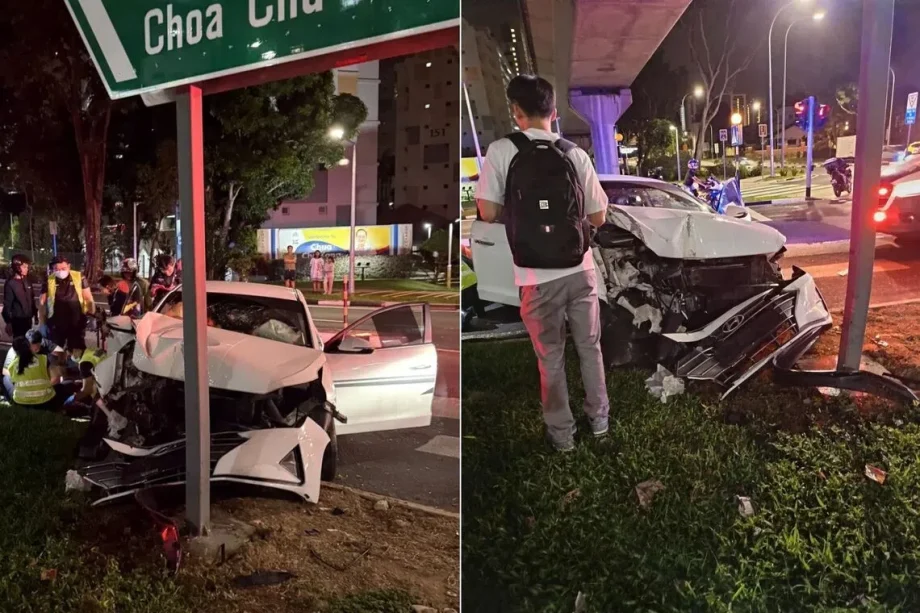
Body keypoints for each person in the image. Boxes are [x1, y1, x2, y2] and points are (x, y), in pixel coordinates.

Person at [475, 74, 611, 452]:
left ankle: (562, 437)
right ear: (554, 111)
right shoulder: (574, 154)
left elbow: (487, 211)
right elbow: (599, 217)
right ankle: (599, 422)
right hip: (579, 270)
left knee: (550, 358)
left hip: (535, 277)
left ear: (516, 112)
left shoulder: (503, 150)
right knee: (589, 348)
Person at [39, 256, 94, 353]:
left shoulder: (79, 277)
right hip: (56, 323)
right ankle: (56, 367)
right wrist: (42, 323)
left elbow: (88, 298)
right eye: (56, 269)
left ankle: (75, 367)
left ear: (69, 266)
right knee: (55, 352)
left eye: (63, 268)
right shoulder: (49, 280)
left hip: (76, 323)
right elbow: (42, 303)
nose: (60, 271)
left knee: (77, 352)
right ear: (52, 269)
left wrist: (92, 315)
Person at [8, 334, 66, 410]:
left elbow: (14, 382)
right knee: (62, 387)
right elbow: (55, 378)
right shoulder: (43, 359)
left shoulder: (12, 365)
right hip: (45, 401)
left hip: (21, 402)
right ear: (29, 346)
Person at [2, 330, 58, 401]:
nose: (35, 352)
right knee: (6, 378)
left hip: (38, 386)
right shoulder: (14, 351)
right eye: (32, 349)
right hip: (20, 381)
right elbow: (5, 371)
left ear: (41, 343)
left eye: (37, 349)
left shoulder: (44, 354)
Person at [3, 254, 36, 338]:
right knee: (19, 345)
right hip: (17, 320)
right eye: (24, 267)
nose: (27, 269)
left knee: (28, 344)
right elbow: (7, 305)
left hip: (28, 319)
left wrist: (35, 314)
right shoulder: (11, 283)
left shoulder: (27, 281)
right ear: (17, 267)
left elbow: (31, 299)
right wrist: (8, 322)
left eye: (27, 267)